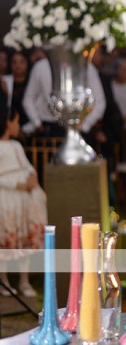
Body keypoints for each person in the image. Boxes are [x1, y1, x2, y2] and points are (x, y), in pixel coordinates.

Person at [0, 107, 47, 298]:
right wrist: (16, 184)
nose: (17, 126)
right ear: (7, 123)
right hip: (7, 199)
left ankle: (24, 280)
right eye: (16, 122)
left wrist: (32, 178)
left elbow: (27, 166)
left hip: (24, 199)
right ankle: (4, 281)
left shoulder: (17, 146)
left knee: (24, 241)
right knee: (6, 240)